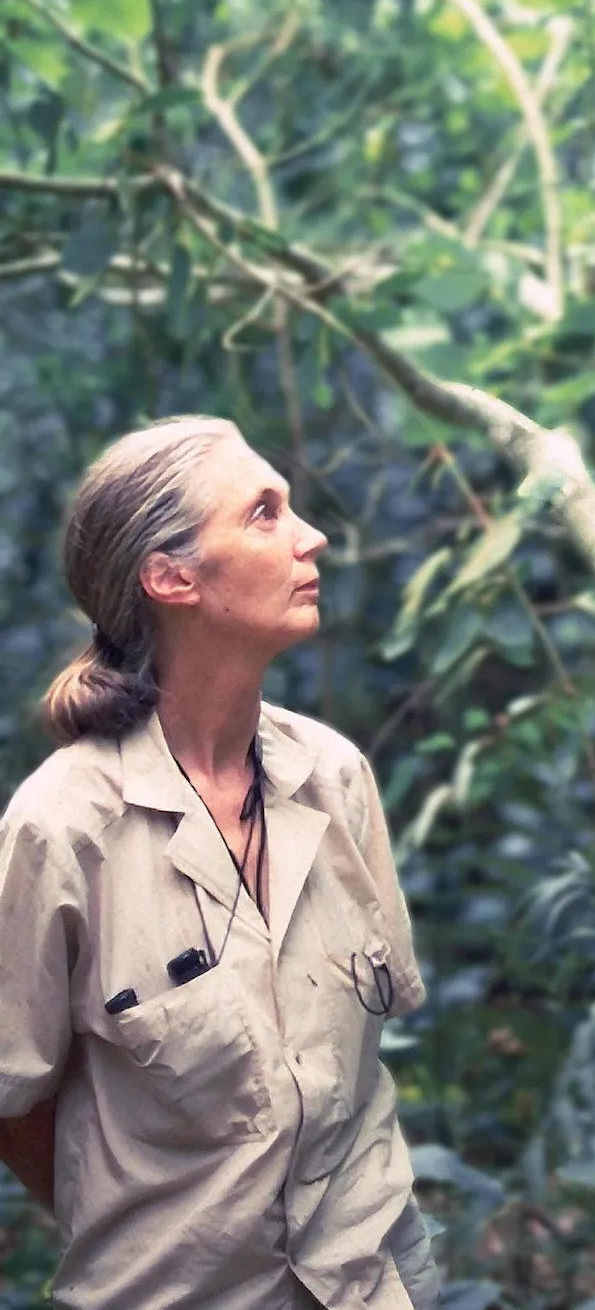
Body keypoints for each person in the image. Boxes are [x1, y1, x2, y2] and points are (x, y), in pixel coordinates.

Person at [0, 415, 440, 1309]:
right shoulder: (63, 829)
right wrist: (159, 1234)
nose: (311, 537)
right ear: (172, 578)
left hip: (374, 1282)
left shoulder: (333, 778)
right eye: (265, 513)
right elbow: (14, 1102)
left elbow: (361, 1071)